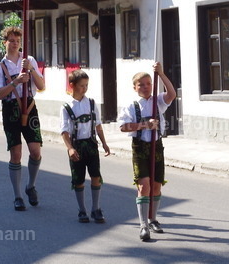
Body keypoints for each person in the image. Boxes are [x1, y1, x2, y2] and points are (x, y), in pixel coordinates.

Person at [118, 62, 176, 241]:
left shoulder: (158, 101)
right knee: (144, 186)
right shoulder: (131, 106)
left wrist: (161, 73)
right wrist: (144, 124)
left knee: (157, 185)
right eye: (141, 84)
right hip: (140, 147)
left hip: (156, 146)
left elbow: (172, 94)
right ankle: (143, 225)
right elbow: (123, 127)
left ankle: (153, 219)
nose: (145, 87)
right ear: (135, 88)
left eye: (148, 83)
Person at [0, 26, 46, 211]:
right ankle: (17, 195)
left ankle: (31, 185)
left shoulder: (28, 60)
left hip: (29, 106)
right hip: (10, 109)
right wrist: (15, 81)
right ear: (4, 42)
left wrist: (31, 71)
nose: (15, 44)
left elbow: (41, 86)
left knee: (35, 150)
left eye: (18, 41)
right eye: (12, 41)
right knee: (16, 153)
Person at [60, 69, 111, 223]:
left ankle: (96, 209)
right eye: (82, 85)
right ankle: (82, 210)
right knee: (78, 179)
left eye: (86, 85)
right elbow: (64, 131)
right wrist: (70, 148)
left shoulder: (91, 103)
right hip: (76, 145)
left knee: (96, 176)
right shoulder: (67, 107)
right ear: (72, 85)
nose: (85, 88)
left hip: (91, 143)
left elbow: (98, 125)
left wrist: (104, 143)